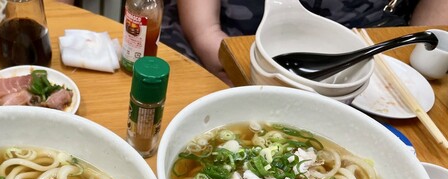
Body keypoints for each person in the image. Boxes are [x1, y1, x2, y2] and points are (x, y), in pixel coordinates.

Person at [161, 0, 448, 83]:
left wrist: (417, 65)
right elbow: (205, 32)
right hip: (228, 36)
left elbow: (430, 30)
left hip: (372, 56)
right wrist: (210, 38)